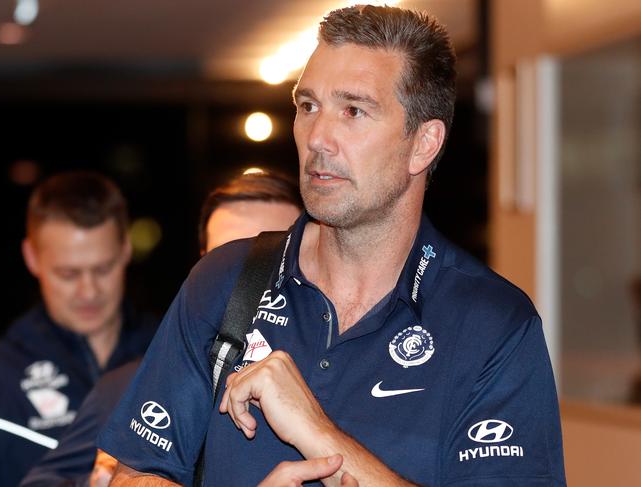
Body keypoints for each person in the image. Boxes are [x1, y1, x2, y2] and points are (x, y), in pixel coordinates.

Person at [99, 5, 566, 486]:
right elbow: (132, 475)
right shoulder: (226, 280)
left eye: (353, 110)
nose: (318, 138)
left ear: (423, 144)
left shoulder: (492, 325)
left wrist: (318, 433)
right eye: (308, 106)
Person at [20, 169, 303, 487]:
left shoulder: (355, 384)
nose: (248, 285)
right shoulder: (137, 383)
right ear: (203, 268)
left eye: (272, 261)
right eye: (228, 259)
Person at [0, 171, 158, 486]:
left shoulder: (171, 351)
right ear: (32, 257)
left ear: (125, 249)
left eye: (102, 268)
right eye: (68, 273)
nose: (88, 291)